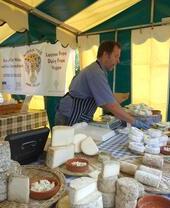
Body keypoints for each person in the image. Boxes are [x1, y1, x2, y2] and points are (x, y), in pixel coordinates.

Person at [55, 41, 150, 129]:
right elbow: (110, 105)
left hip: (78, 113)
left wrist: (116, 101)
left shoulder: (99, 70)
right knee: (67, 143)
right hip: (71, 113)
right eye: (116, 56)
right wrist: (136, 122)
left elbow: (105, 101)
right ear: (105, 55)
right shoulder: (95, 72)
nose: (118, 61)